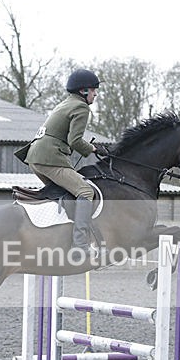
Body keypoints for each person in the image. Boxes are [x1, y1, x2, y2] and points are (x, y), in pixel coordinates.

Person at [20, 68, 108, 255]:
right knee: (85, 191)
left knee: (67, 194)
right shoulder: (81, 108)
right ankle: (80, 245)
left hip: (35, 157)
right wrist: (92, 148)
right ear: (84, 91)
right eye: (94, 90)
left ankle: (58, 238)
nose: (96, 94)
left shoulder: (65, 103)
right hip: (50, 158)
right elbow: (74, 141)